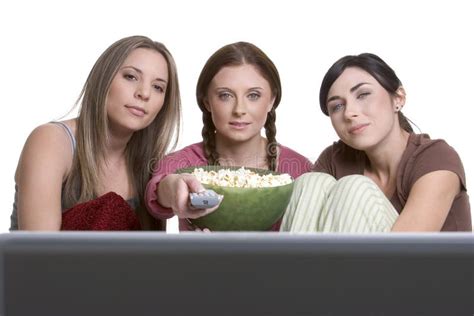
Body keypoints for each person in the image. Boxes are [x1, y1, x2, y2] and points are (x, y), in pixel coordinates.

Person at [281, 53, 471, 232]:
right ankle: (290, 268)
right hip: (340, 265)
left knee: (356, 188)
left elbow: (406, 252)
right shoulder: (334, 159)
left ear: (398, 98)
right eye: (337, 106)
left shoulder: (436, 157)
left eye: (363, 95)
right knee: (310, 182)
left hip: (416, 264)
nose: (349, 113)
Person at [11, 35, 181, 231]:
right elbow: (39, 254)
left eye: (158, 87)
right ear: (104, 78)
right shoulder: (52, 141)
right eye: (131, 76)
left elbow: (152, 255)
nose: (144, 93)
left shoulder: (150, 166)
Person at [145, 42, 312, 231]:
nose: (239, 110)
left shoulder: (301, 170)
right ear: (207, 102)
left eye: (253, 95)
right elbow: (157, 194)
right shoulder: (181, 164)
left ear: (271, 100)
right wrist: (173, 188)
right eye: (225, 95)